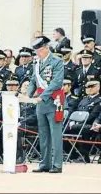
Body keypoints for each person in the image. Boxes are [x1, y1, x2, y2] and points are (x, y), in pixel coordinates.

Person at [27, 36, 64, 173]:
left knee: (55, 135)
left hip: (54, 101)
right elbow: (33, 80)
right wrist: (28, 94)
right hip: (40, 104)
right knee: (43, 135)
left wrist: (42, 96)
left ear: (46, 48)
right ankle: (45, 163)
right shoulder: (37, 63)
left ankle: (57, 164)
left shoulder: (57, 61)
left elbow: (56, 82)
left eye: (40, 50)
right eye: (36, 51)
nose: (37, 53)